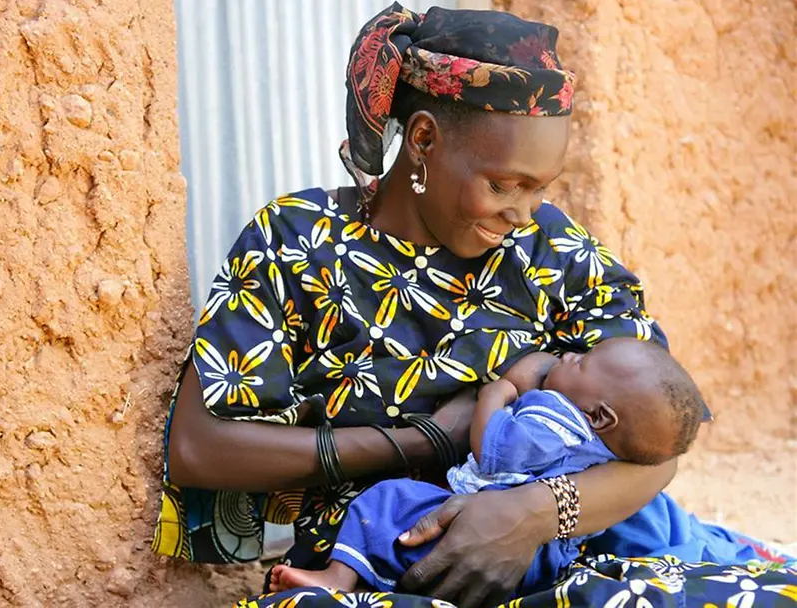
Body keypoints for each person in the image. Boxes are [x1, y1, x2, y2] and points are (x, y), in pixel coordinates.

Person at [152, 4, 797, 607]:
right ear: (425, 140)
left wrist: (527, 517)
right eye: (504, 184)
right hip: (375, 567)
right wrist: (423, 441)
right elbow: (201, 448)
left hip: (565, 563)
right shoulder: (300, 241)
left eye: (540, 188)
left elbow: (657, 441)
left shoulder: (553, 251)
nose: (522, 212)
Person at [268, 338, 780, 596]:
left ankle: (339, 578)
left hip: (504, 528)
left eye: (582, 361)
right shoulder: (606, 436)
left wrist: (500, 391)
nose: (569, 355)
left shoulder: (551, 415)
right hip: (553, 554)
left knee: (385, 501)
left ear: (600, 414)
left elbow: (495, 450)